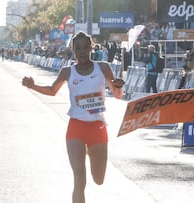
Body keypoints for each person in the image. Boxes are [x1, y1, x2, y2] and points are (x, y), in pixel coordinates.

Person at [22, 31, 124, 203]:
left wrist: (119, 86)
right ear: (73, 50)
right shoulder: (67, 72)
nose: (82, 51)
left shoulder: (103, 68)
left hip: (98, 128)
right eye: (78, 48)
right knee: (79, 178)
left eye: (85, 47)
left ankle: (91, 151)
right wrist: (33, 86)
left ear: (91, 48)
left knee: (99, 179)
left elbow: (118, 94)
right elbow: (52, 91)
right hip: (76, 128)